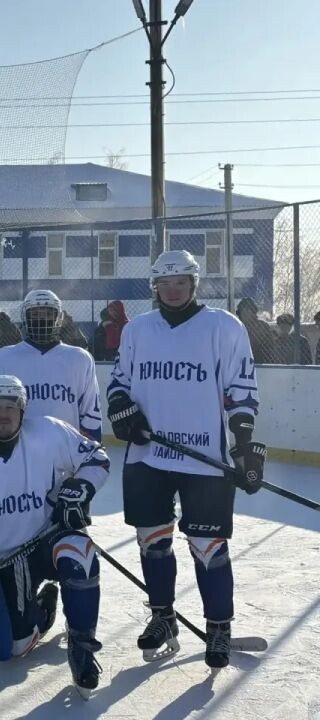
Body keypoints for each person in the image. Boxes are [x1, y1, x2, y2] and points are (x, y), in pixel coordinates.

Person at [107, 249, 265, 671]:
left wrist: (244, 442)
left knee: (208, 546)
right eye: (165, 283)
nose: (173, 290)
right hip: (148, 457)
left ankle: (218, 626)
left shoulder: (223, 327)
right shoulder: (138, 330)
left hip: (205, 460)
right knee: (152, 542)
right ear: (154, 287)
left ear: (194, 285)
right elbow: (119, 382)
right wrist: (123, 411)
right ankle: (163, 617)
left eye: (181, 283)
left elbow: (241, 388)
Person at [0, 375, 110, 699]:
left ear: (23, 410)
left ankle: (82, 645)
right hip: (4, 555)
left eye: (11, 408)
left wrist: (78, 490)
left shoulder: (49, 432)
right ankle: (44, 607)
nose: (3, 415)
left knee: (81, 554)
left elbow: (97, 459)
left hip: (50, 537)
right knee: (9, 649)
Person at [0, 289, 101, 441]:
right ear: (25, 317)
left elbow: (90, 413)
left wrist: (91, 453)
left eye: (48, 314)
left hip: (66, 453)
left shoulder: (80, 359)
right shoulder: (3, 358)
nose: (42, 319)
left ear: (59, 318)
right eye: (35, 314)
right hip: (17, 453)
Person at [236, 297, 278, 365]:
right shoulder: (236, 326)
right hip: (239, 363)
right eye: (242, 310)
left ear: (253, 311)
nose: (245, 313)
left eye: (248, 310)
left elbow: (270, 349)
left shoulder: (262, 326)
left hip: (260, 363)